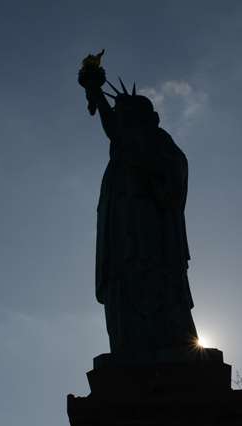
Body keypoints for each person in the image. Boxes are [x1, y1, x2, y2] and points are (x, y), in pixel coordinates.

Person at [78, 55, 198, 358]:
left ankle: (170, 341)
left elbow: (171, 184)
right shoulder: (125, 149)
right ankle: (130, 344)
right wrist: (95, 93)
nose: (120, 123)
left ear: (146, 119)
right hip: (121, 236)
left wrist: (146, 173)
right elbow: (113, 128)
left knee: (154, 284)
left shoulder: (157, 144)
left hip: (150, 235)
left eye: (126, 115)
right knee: (125, 287)